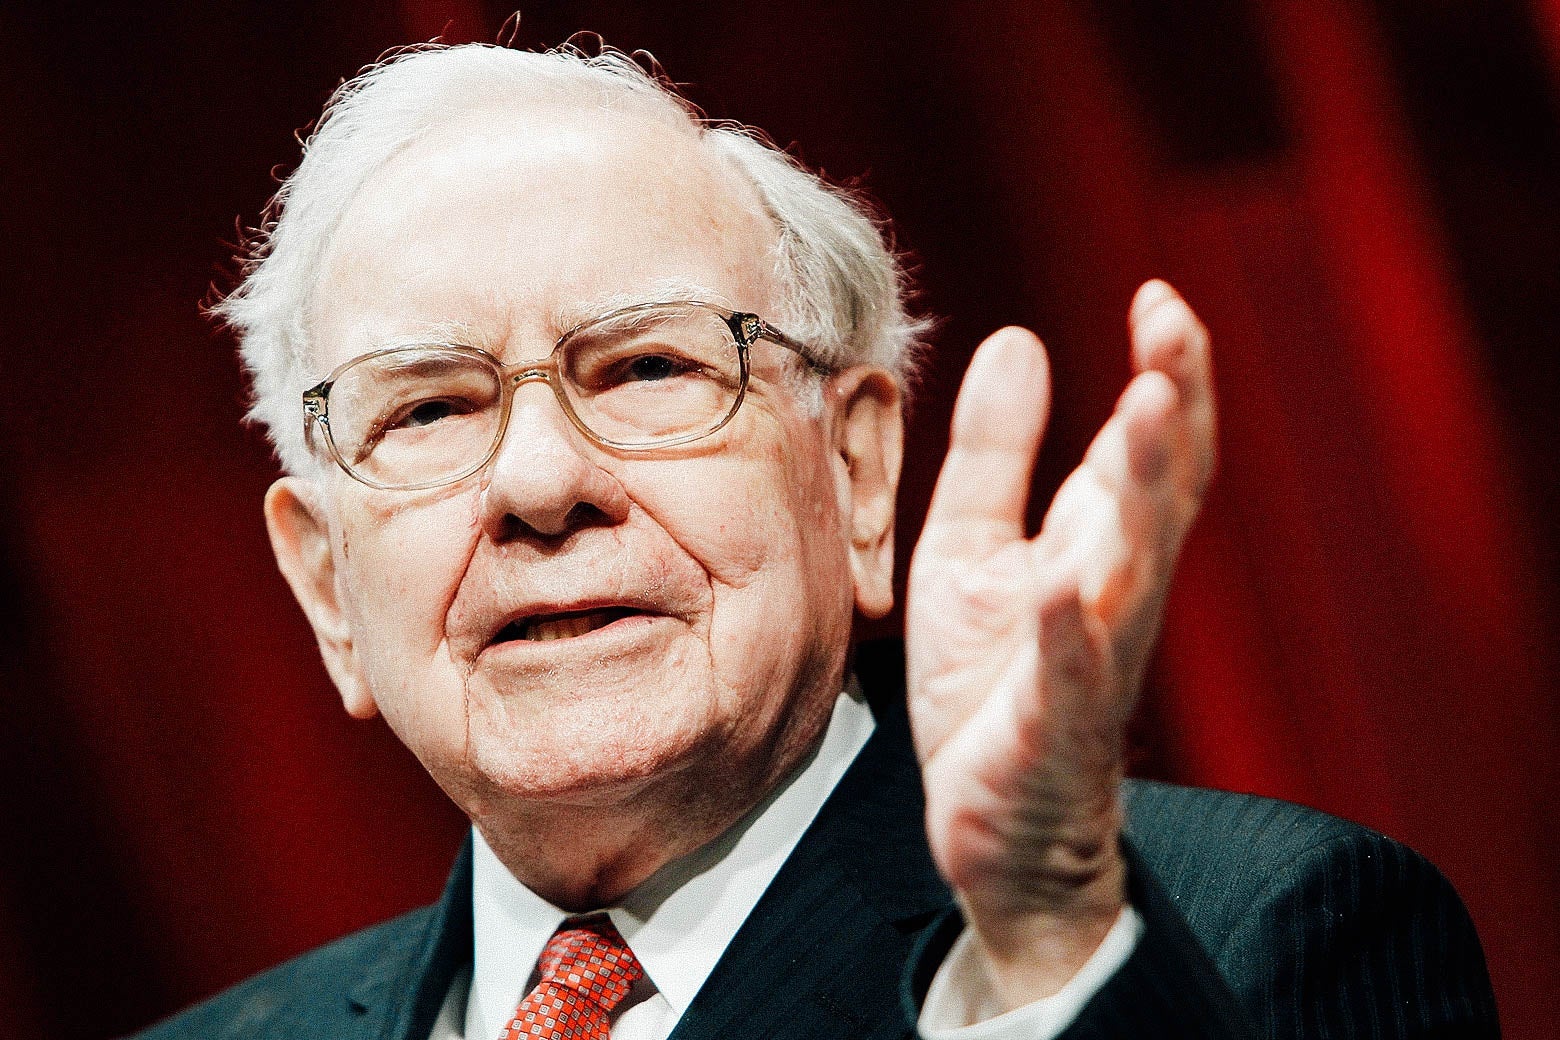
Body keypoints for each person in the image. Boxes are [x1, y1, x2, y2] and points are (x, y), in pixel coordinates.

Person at [133, 41, 1497, 1040]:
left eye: (648, 370)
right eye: (429, 406)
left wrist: (1048, 961)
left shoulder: (1245, 942)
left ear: (854, 470)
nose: (542, 482)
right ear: (323, 581)